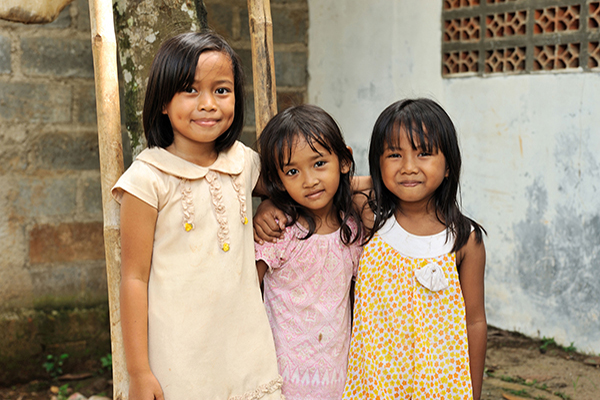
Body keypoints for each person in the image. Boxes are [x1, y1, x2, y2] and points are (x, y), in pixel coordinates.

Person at [111, 31, 282, 400]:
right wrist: (138, 372)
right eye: (190, 90)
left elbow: (294, 189)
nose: (208, 104)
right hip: (180, 361)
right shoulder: (147, 179)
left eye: (221, 90)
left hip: (246, 350)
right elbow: (134, 279)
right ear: (163, 101)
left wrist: (271, 204)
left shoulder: (244, 162)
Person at [342, 98, 487, 400]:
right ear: (377, 163)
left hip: (440, 385)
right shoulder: (370, 217)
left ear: (449, 165)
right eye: (394, 155)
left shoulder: (464, 239)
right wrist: (378, 180)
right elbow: (331, 185)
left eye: (424, 153)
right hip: (376, 383)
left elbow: (475, 322)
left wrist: (473, 393)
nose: (408, 167)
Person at [254, 105, 364, 399]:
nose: (309, 180)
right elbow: (245, 290)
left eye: (319, 164)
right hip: (282, 377)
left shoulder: (353, 231)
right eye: (292, 171)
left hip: (339, 376)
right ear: (278, 180)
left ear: (344, 161)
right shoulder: (279, 231)